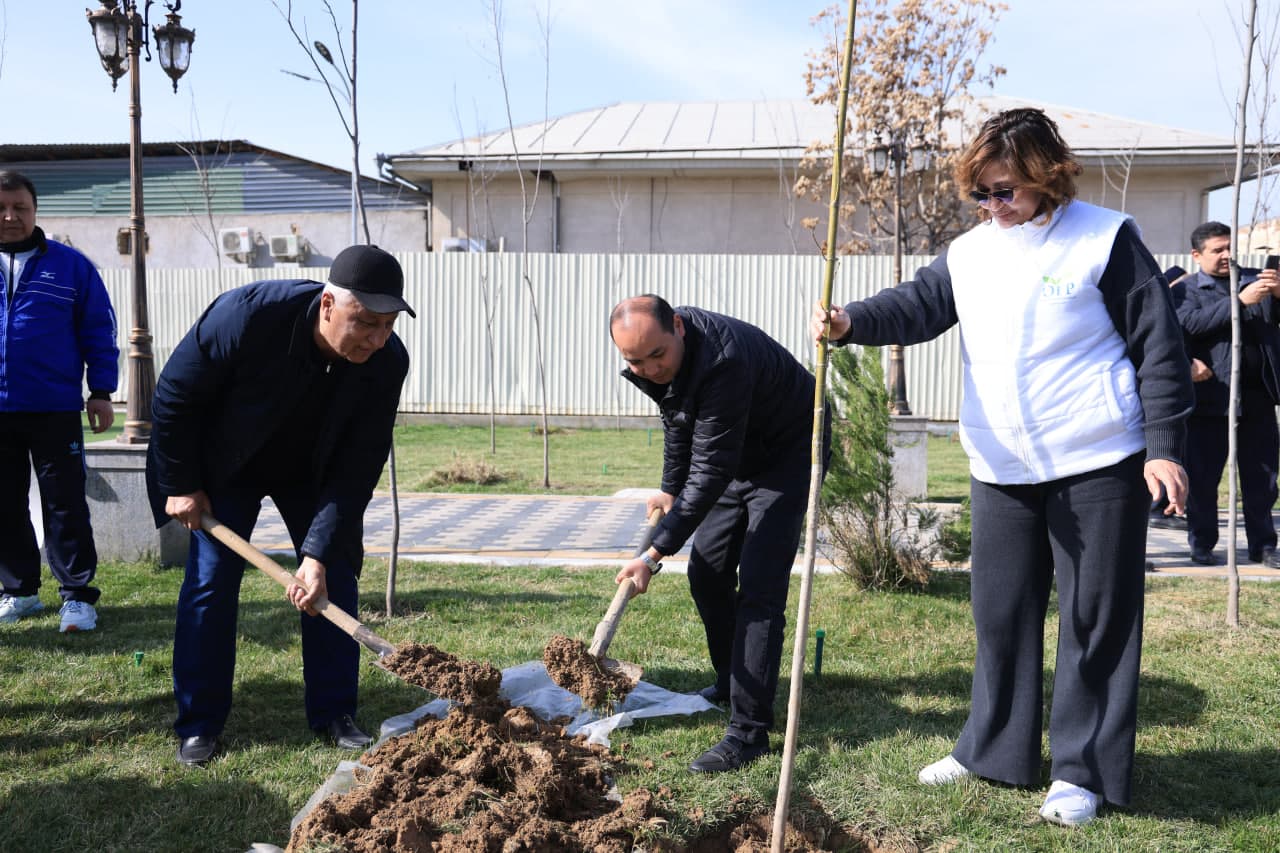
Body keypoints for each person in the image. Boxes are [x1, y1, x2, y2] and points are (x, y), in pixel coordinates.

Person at [812, 108, 1192, 827]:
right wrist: (849, 321)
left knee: (1094, 617)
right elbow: (918, 306)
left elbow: (1160, 347)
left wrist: (1166, 446)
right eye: (980, 194)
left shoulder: (1106, 239)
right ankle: (993, 748)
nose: (992, 206)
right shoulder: (970, 253)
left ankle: (1081, 770)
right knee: (1000, 614)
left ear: (1049, 175)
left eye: (1005, 190)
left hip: (1098, 458)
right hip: (999, 463)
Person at [146, 244, 412, 767]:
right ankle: (199, 722)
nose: (377, 339)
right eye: (366, 323)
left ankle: (334, 711)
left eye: (388, 325)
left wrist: (315, 555)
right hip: (229, 464)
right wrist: (181, 483)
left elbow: (357, 468)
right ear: (329, 305)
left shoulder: (387, 362)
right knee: (210, 580)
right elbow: (175, 396)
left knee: (333, 573)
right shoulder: (246, 317)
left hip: (313, 472)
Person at [610, 294, 827, 774]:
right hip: (737, 450)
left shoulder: (723, 361)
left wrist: (653, 554)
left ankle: (749, 734)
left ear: (679, 329)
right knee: (708, 573)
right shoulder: (666, 359)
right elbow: (677, 418)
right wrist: (669, 489)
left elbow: (709, 472)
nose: (649, 368)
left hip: (788, 452)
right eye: (634, 362)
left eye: (656, 356)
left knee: (759, 588)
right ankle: (731, 680)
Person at [0, 170, 119, 633]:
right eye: (2, 208)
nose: (10, 216)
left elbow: (97, 330)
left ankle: (76, 597)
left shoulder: (71, 266)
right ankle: (19, 592)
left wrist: (102, 391)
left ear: (35, 211)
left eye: (20, 208)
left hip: (54, 408)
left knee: (65, 503)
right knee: (4, 505)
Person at [1175, 222, 1280, 567]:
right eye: (1217, 250)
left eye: (1229, 248)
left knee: (1262, 479)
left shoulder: (1255, 280)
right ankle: (1202, 544)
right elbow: (1188, 325)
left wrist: (1277, 296)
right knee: (1203, 480)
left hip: (1257, 398)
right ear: (1196, 255)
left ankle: (1264, 545)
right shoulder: (1187, 290)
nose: (1226, 255)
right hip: (1210, 400)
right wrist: (1238, 302)